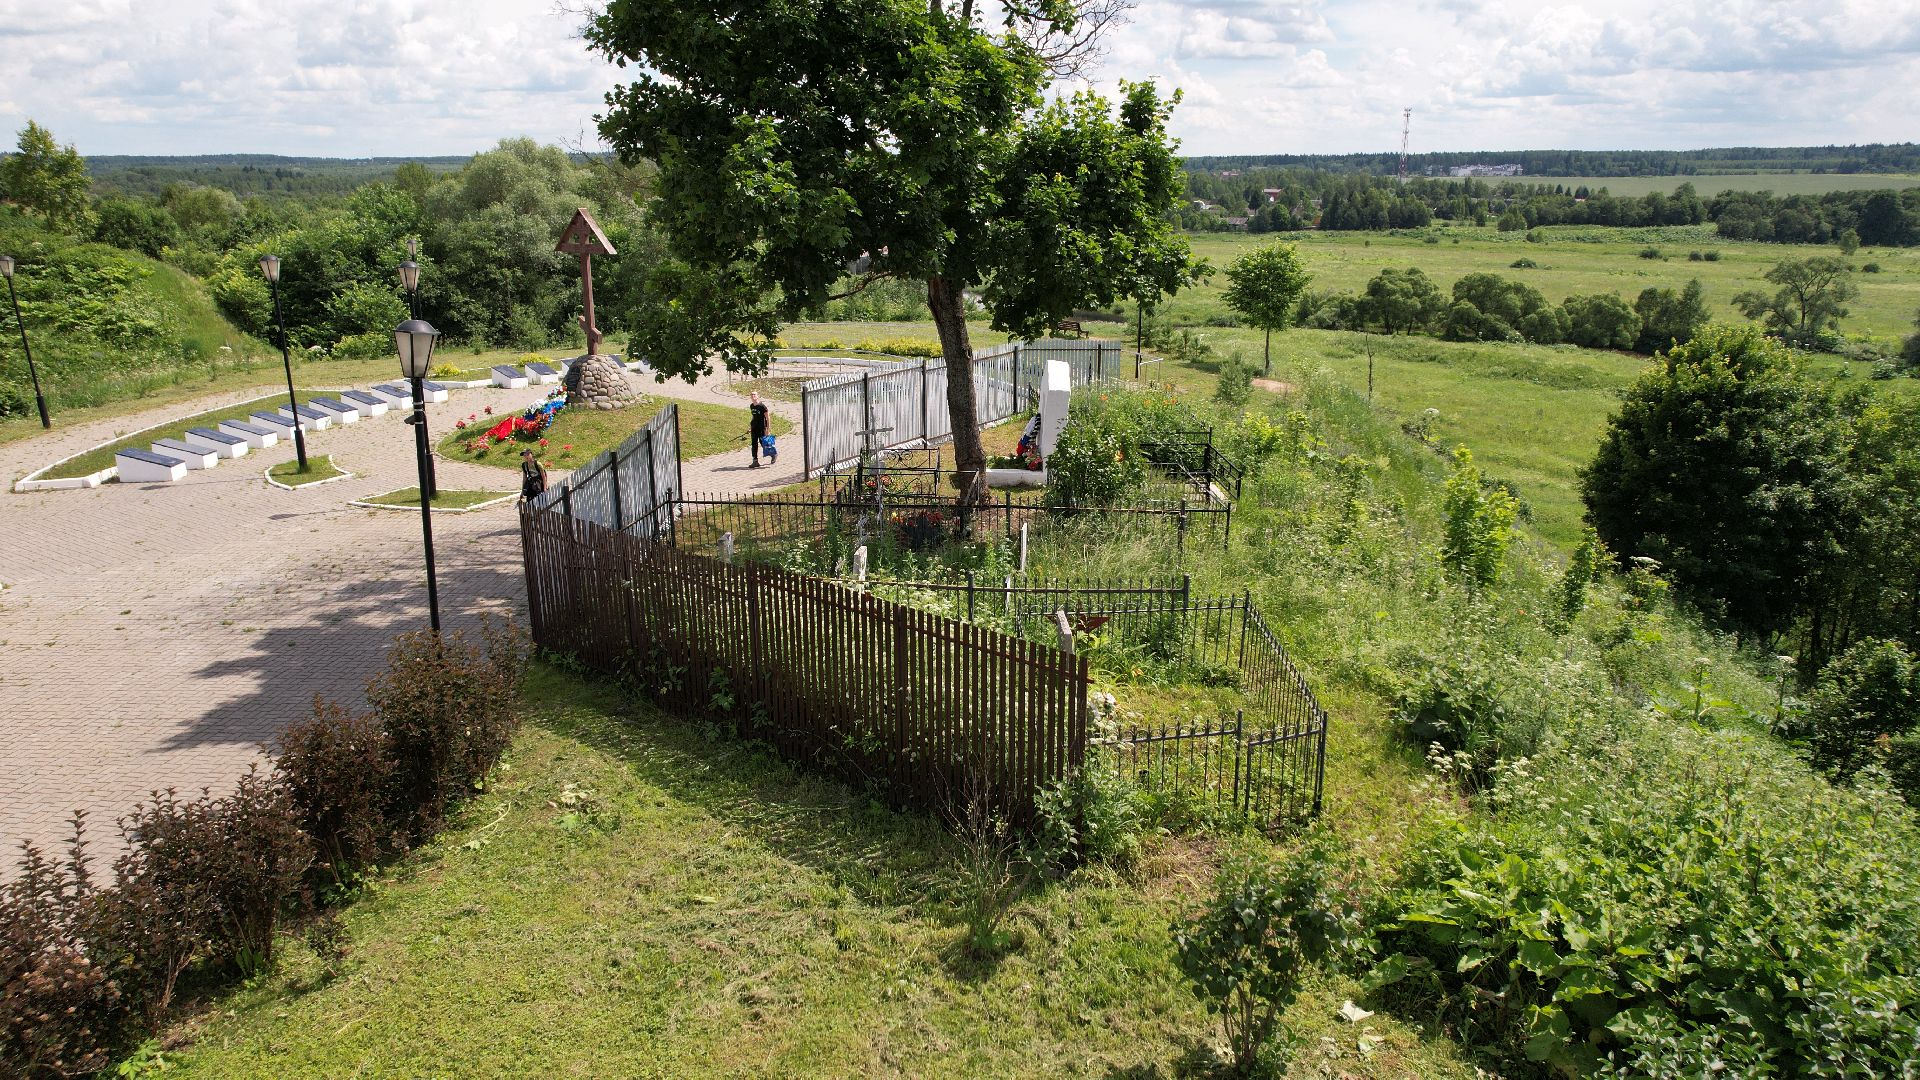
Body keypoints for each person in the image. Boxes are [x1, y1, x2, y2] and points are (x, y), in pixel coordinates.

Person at [748, 391, 770, 468]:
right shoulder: (751, 406)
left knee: (763, 443)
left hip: (761, 428)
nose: (753, 395)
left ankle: (773, 454)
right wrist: (750, 427)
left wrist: (767, 429)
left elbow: (767, 417)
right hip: (754, 428)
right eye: (751, 394)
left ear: (758, 396)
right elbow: (753, 417)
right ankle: (755, 461)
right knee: (754, 444)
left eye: (754, 394)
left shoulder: (762, 406)